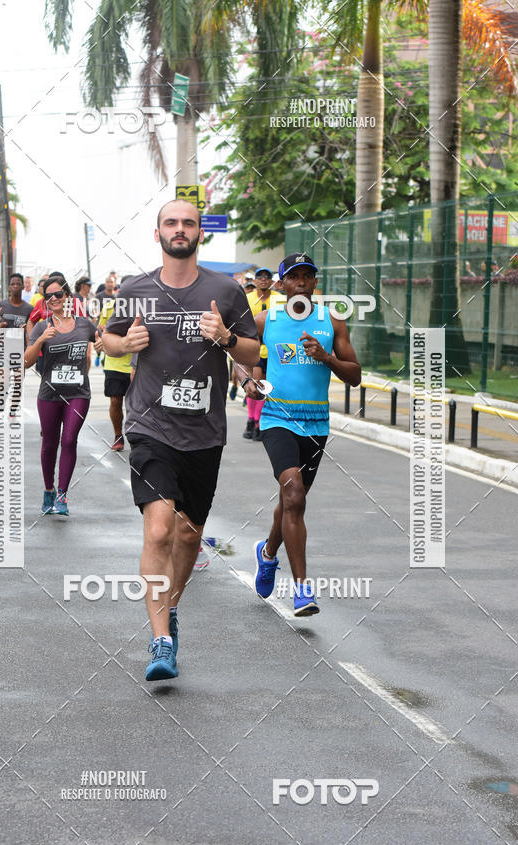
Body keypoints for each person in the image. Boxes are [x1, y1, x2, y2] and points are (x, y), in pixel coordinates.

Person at [102, 199, 259, 681]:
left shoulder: (225, 291)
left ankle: (169, 609)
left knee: (189, 534)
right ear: (158, 234)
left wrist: (227, 341)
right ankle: (160, 640)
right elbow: (107, 339)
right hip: (150, 426)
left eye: (188, 223)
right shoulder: (134, 290)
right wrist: (125, 345)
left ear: (198, 234)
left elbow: (253, 350)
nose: (180, 229)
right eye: (171, 222)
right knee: (158, 529)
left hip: (203, 433)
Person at [244, 253, 361, 616]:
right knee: (293, 493)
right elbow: (240, 354)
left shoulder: (332, 321)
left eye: (307, 276)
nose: (301, 282)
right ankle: (302, 590)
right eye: (293, 276)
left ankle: (267, 554)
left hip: (316, 425)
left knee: (290, 501)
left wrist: (327, 358)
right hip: (277, 418)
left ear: (314, 284)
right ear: (280, 284)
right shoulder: (266, 320)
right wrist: (248, 380)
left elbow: (355, 375)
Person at [25, 276, 96, 516]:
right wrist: (41, 341)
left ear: (68, 297)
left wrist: (110, 344)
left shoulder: (85, 324)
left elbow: (104, 341)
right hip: (49, 394)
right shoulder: (42, 327)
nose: (53, 299)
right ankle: (48, 490)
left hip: (78, 393)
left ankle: (63, 494)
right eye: (48, 296)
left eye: (58, 294)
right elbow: (26, 361)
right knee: (49, 443)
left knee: (69, 440)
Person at [243, 267, 281, 441]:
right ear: (256, 281)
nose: (264, 279)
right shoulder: (247, 298)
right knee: (256, 385)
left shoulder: (280, 300)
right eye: (260, 277)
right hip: (255, 350)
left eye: (267, 276)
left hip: (274, 351)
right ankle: (252, 421)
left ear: (271, 281)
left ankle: (258, 423)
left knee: (267, 388)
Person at [97, 295, 131, 451]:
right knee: (116, 401)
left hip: (137, 364)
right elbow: (101, 329)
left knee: (136, 404)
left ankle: (137, 437)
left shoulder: (143, 307)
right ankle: (118, 436)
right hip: (113, 363)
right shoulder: (109, 307)